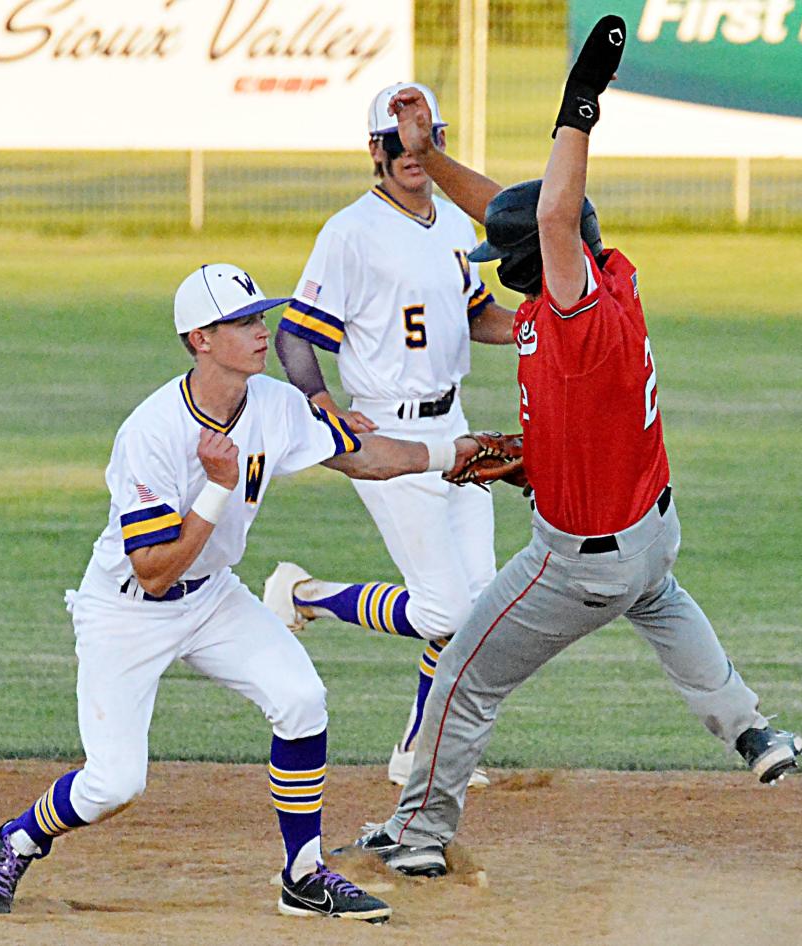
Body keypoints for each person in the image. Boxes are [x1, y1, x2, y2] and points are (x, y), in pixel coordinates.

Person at [340, 16, 802, 878]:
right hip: (648, 529)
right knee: (659, 598)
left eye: (500, 258)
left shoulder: (573, 316)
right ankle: (752, 728)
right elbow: (526, 213)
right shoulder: (611, 280)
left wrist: (580, 99)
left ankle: (419, 836)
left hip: (577, 563)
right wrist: (428, 156)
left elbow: (544, 212)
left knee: (464, 682)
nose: (493, 262)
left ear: (536, 262)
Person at [0, 263, 481, 921]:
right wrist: (216, 484)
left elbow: (366, 457)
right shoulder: (150, 433)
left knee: (301, 700)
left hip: (212, 598)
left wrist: (461, 453)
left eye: (259, 318)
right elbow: (153, 570)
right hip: (126, 610)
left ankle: (303, 873)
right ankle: (17, 840)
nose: (261, 333)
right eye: (242, 322)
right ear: (200, 339)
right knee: (114, 782)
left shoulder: (274, 405)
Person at [264, 81, 516, 789]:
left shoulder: (454, 225)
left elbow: (477, 315)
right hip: (388, 432)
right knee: (444, 607)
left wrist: (536, 333)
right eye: (398, 140)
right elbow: (295, 333)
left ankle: (414, 749)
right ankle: (304, 594)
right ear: (374, 150)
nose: (413, 153)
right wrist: (320, 403)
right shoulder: (351, 232)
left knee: (480, 602)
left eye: (425, 137)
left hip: (456, 427)